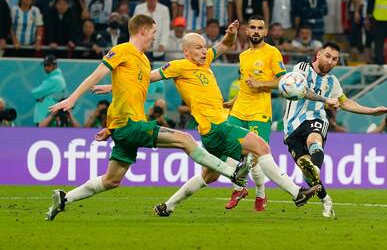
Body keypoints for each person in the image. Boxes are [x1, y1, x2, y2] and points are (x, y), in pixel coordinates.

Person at [45, 14, 251, 221]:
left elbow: (131, 89)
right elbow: (96, 74)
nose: (154, 37)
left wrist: (110, 128)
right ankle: (232, 173)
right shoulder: (122, 50)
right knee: (185, 140)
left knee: (111, 180)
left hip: (123, 126)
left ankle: (65, 198)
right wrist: (72, 99)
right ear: (143, 30)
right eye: (153, 32)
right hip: (131, 124)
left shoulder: (143, 60)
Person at [152, 20, 321, 217]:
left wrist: (231, 33)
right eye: (199, 48)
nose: (204, 51)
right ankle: (296, 194)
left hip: (213, 130)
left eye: (205, 47)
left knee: (209, 174)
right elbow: (148, 76)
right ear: (187, 51)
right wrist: (119, 84)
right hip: (217, 127)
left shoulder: (204, 62)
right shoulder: (178, 66)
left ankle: (167, 206)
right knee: (261, 147)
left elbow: (224, 45)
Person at [222, 15, 338, 211]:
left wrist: (261, 84)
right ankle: (240, 189)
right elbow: (244, 85)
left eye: (260, 27)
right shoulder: (243, 56)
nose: (256, 31)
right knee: (231, 152)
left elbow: (284, 82)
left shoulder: (272, 53)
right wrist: (231, 102)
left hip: (260, 112)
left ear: (266, 32)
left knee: (255, 157)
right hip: (239, 109)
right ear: (247, 31)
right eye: (253, 27)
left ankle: (257, 193)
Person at [282, 41, 387, 217]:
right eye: (328, 56)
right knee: (307, 174)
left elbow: (345, 102)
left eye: (335, 59)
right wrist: (324, 99)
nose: (331, 61)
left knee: (314, 139)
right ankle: (326, 199)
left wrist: (372, 112)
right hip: (291, 127)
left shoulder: (332, 82)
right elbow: (302, 91)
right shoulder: (301, 68)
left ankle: (315, 167)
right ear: (318, 54)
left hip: (315, 118)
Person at [31, 55, 67, 126]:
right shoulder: (58, 78)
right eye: (44, 65)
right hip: (49, 116)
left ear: (55, 65)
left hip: (46, 116)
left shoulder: (54, 80)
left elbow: (35, 93)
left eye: (48, 65)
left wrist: (42, 96)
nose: (45, 68)